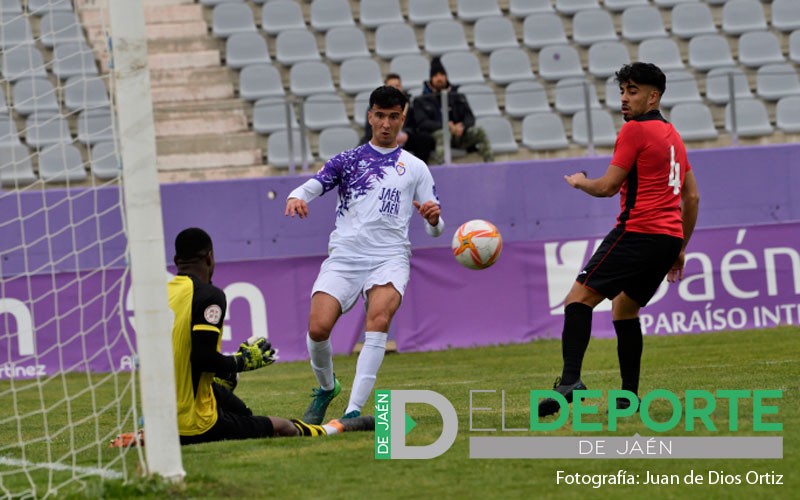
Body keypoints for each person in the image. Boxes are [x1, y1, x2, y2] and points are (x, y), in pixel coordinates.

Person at [538, 62, 700, 417]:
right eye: (622, 91)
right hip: (668, 238)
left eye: (633, 91)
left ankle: (569, 385)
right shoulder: (673, 136)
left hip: (638, 231)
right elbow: (692, 198)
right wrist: (681, 246)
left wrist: (581, 181)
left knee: (577, 300)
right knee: (625, 309)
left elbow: (609, 186)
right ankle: (628, 397)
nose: (625, 99)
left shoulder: (635, 131)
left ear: (653, 96)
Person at [285, 85, 445, 424]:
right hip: (345, 256)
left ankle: (354, 410)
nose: (386, 123)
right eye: (380, 116)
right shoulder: (348, 160)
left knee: (379, 321)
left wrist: (433, 220)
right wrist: (296, 196)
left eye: (394, 117)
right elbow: (316, 183)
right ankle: (327, 388)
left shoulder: (415, 167)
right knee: (318, 328)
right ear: (370, 116)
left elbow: (436, 226)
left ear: (402, 118)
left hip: (389, 257)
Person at [168, 227, 374, 444]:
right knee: (282, 426)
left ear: (175, 259)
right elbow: (203, 358)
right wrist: (242, 361)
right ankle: (335, 427)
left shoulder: (163, 292)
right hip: (195, 424)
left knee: (241, 410)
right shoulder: (208, 295)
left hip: (164, 419)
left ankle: (222, 386)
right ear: (210, 257)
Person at [413, 56, 493, 165]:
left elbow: (470, 117)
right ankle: (443, 169)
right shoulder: (421, 100)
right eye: (436, 75)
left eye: (442, 75)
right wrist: (446, 126)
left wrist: (462, 126)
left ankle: (491, 167)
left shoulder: (458, 96)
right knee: (443, 134)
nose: (439, 78)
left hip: (459, 133)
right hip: (437, 136)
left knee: (479, 132)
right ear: (431, 79)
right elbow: (422, 122)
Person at [360, 73, 435, 163]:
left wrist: (406, 134)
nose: (395, 88)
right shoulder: (375, 107)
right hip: (381, 138)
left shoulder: (409, 106)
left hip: (403, 140)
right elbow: (369, 131)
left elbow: (414, 126)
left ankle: (419, 167)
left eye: (397, 85)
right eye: (391, 86)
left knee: (424, 139)